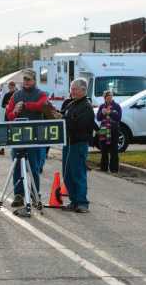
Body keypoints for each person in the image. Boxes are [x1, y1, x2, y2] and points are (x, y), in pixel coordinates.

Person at [6, 68, 47, 209]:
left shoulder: (41, 94)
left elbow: (42, 105)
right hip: (18, 136)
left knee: (34, 167)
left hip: (35, 136)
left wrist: (26, 105)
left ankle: (35, 194)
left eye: (29, 79)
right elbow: (9, 114)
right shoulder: (16, 95)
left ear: (34, 80)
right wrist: (15, 111)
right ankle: (19, 195)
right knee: (17, 166)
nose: (26, 82)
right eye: (25, 79)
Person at [60, 78, 95, 213]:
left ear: (83, 90)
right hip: (67, 143)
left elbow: (81, 125)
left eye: (74, 89)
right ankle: (74, 201)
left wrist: (64, 120)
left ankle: (82, 203)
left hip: (78, 144)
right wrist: (58, 115)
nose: (72, 91)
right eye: (71, 88)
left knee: (78, 173)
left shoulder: (86, 106)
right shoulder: (71, 104)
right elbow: (65, 116)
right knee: (67, 174)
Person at [97, 90, 122, 173]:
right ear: (104, 98)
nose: (109, 98)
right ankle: (103, 168)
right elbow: (98, 118)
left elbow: (118, 118)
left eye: (111, 96)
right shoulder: (101, 106)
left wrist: (110, 112)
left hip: (113, 129)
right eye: (107, 97)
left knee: (114, 149)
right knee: (104, 150)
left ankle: (114, 169)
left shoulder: (117, 106)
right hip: (103, 129)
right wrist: (102, 112)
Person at [0, 81, 17, 156]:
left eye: (12, 87)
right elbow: (3, 105)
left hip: (16, 116)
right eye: (10, 87)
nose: (11, 88)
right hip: (7, 115)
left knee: (15, 132)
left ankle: (16, 149)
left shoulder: (18, 94)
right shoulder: (7, 95)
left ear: (14, 87)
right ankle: (2, 149)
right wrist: (7, 106)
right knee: (5, 132)